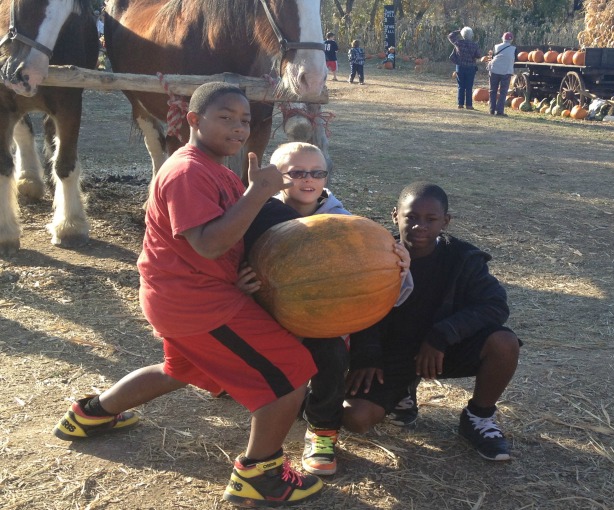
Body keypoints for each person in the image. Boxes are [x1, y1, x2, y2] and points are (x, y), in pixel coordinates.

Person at [52, 82, 323, 507]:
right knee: (290, 374)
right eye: (226, 117)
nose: (238, 128)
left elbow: (222, 240)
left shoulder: (211, 167)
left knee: (178, 370)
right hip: (196, 304)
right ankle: (261, 473)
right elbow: (209, 243)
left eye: (245, 120)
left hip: (182, 295)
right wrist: (257, 192)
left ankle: (91, 413)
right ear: (194, 120)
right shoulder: (187, 172)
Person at [342, 182, 522, 462]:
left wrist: (442, 334)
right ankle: (402, 390)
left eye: (431, 219)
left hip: (441, 350)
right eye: (411, 217)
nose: (419, 226)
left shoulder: (464, 259)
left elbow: (494, 305)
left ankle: (478, 417)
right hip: (391, 355)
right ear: (395, 216)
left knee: (504, 342)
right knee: (356, 419)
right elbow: (356, 309)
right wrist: (366, 355)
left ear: (446, 221)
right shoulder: (373, 256)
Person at [264, 142, 412, 477]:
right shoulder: (257, 213)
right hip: (265, 313)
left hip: (320, 320)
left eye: (317, 173)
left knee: (330, 352)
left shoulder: (342, 223)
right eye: (297, 172)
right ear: (276, 177)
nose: (308, 179)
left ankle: (322, 429)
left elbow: (375, 284)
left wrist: (401, 268)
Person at [448, 27, 482, 110]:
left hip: (460, 67)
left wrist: (459, 31)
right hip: (471, 67)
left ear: (463, 35)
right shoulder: (474, 45)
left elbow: (450, 36)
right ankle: (469, 105)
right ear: (471, 36)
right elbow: (478, 55)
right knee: (469, 86)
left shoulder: (458, 43)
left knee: (461, 86)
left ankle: (460, 104)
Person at [488, 32, 516, 116]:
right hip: (506, 71)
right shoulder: (514, 49)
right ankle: (500, 111)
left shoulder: (496, 47)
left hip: (494, 70)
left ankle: (491, 109)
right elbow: (516, 59)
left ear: (502, 38)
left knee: (493, 90)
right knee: (503, 92)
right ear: (511, 40)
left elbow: (492, 56)